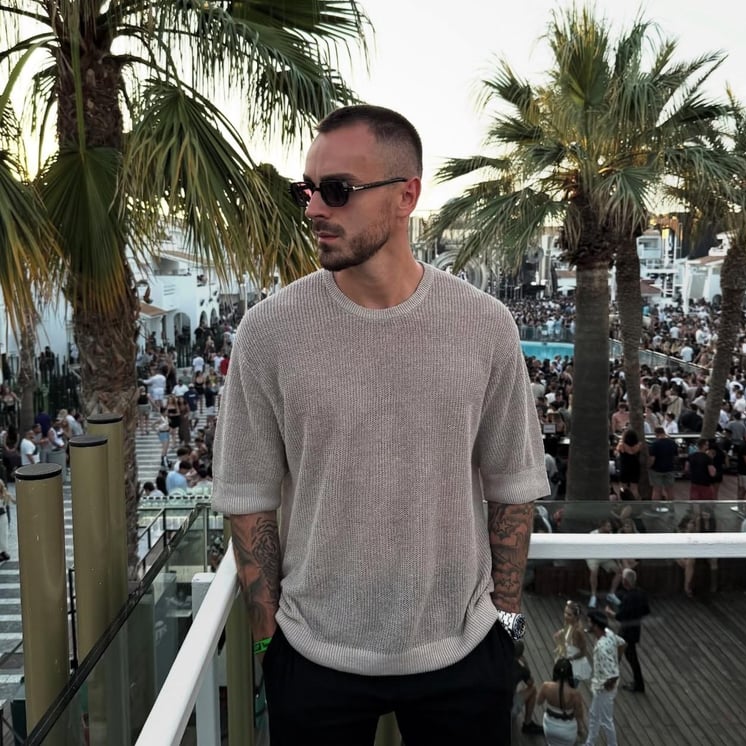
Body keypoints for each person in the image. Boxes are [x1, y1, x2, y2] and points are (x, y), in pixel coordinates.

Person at [211, 104, 549, 745]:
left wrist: (505, 626)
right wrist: (268, 644)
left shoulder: (484, 325)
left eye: (337, 190)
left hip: (464, 654)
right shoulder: (268, 332)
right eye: (308, 189)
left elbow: (513, 485)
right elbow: (248, 498)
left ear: (406, 196)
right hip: (312, 656)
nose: (314, 208)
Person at [584, 610, 625, 746]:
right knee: (594, 715)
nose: (588, 624)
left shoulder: (601, 648)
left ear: (596, 626)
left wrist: (607, 685)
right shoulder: (609, 633)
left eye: (589, 622)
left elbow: (613, 674)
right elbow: (622, 643)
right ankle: (590, 743)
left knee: (606, 720)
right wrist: (618, 659)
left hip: (604, 688)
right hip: (602, 686)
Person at [606, 567, 650, 693]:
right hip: (635, 629)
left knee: (626, 656)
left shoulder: (628, 597)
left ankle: (635, 684)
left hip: (626, 631)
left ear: (625, 582)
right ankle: (635, 683)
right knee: (625, 655)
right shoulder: (641, 593)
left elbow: (620, 616)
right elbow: (646, 610)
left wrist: (609, 612)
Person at [536, 658, 587, 746]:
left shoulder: (546, 686)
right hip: (567, 731)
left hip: (549, 728)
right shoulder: (575, 694)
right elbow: (579, 717)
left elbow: (538, 702)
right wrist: (581, 731)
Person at [552, 600, 591, 686]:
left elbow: (583, 652)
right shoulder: (570, 622)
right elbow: (567, 630)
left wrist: (570, 658)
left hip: (574, 667)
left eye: (569, 615)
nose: (566, 616)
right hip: (566, 659)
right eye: (565, 613)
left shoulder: (578, 632)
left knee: (569, 688)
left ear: (576, 617)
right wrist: (562, 632)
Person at [586, 518, 622, 609]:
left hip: (605, 558)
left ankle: (611, 594)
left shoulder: (611, 535)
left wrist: (618, 562)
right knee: (594, 571)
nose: (610, 528)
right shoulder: (593, 534)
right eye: (608, 526)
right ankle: (593, 596)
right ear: (602, 527)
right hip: (593, 557)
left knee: (619, 571)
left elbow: (615, 549)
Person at [647, 426, 678, 500]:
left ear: (656, 433)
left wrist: (648, 466)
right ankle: (671, 505)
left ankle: (656, 506)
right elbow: (676, 456)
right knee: (670, 490)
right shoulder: (672, 443)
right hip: (669, 468)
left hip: (657, 469)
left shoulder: (655, 444)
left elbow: (652, 459)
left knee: (657, 490)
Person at [615, 428, 641, 499]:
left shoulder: (622, 445)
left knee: (623, 487)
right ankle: (635, 502)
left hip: (624, 466)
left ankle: (625, 501)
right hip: (635, 466)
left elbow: (616, 452)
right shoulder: (638, 445)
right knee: (634, 487)